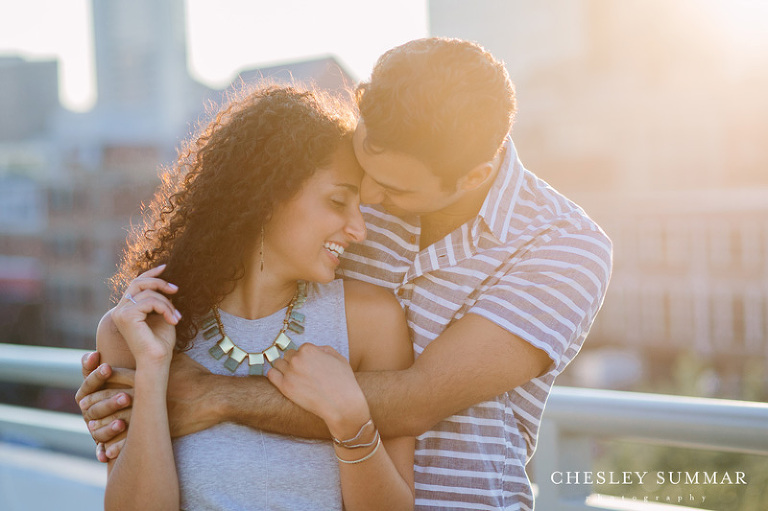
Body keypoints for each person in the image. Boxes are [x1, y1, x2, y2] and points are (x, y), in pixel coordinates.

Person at [78, 37, 613, 510]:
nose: (370, 207)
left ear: (473, 174)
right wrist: (132, 387)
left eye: (393, 190)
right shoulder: (350, 189)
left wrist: (213, 397)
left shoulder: (562, 248)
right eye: (359, 178)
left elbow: (418, 399)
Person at [87, 85, 415, 510]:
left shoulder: (371, 322)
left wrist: (351, 418)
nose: (359, 230)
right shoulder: (137, 329)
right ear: (267, 194)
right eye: (338, 201)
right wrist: (153, 371)